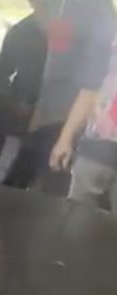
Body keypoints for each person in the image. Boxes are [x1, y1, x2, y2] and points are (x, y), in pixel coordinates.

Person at [1, 1, 116, 193]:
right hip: (45, 118)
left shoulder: (97, 10)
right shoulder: (52, 12)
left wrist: (66, 137)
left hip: (72, 122)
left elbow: (92, 83)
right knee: (15, 186)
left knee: (52, 193)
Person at [45, 0, 117, 182]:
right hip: (94, 147)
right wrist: (65, 138)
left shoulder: (102, 20)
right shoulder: (107, 36)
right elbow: (89, 87)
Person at [0, 3, 47, 185]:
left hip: (55, 123)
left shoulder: (74, 33)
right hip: (21, 120)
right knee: (6, 176)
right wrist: (15, 105)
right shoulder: (21, 32)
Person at [65, 32, 117, 212]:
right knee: (78, 217)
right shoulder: (107, 42)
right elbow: (88, 91)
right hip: (95, 148)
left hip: (96, 148)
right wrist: (65, 138)